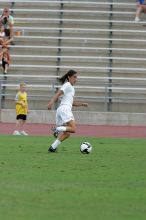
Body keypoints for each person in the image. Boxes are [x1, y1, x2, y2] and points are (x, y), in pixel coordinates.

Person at [47, 69, 88, 152]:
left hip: (61, 110)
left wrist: (82, 104)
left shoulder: (71, 88)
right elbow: (58, 93)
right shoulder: (68, 84)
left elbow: (72, 103)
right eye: (74, 77)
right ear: (69, 77)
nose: (76, 79)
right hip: (65, 109)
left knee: (67, 134)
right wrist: (51, 102)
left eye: (76, 77)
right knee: (73, 129)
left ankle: (53, 147)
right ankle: (57, 129)